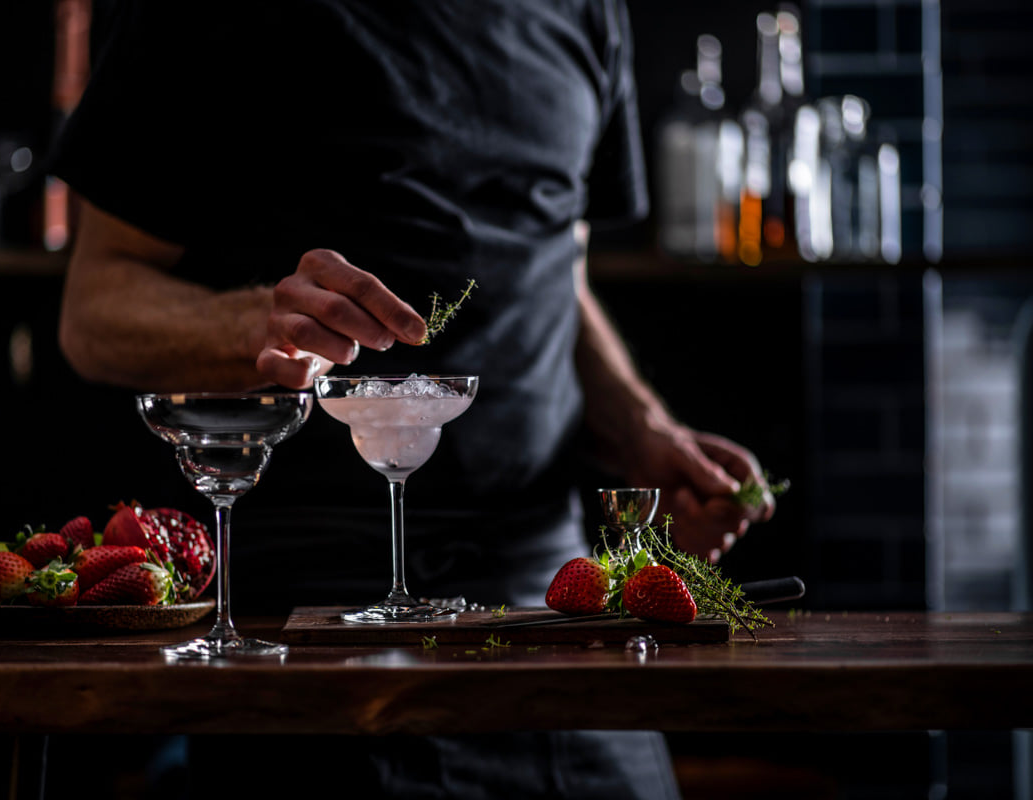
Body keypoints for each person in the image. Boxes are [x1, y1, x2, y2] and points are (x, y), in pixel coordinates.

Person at [50, 2, 776, 798]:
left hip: (553, 601)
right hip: (317, 611)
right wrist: (258, 321)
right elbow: (94, 308)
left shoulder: (583, 10)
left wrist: (643, 429)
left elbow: (555, 271)